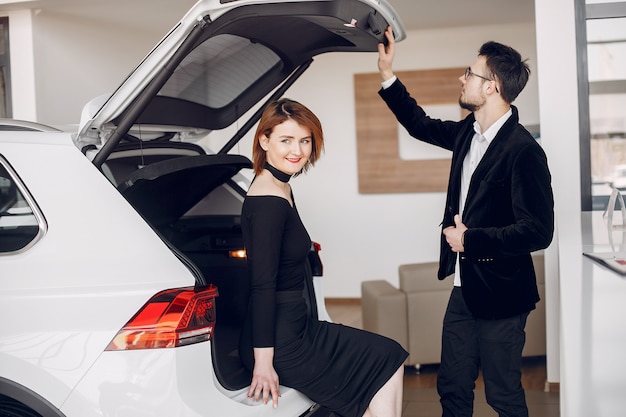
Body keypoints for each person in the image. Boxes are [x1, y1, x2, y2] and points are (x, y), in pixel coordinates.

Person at [376, 27, 554, 417]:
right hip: (464, 287)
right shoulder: (466, 135)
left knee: (502, 394)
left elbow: (539, 230)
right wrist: (388, 73)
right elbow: (419, 124)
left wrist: (470, 240)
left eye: (470, 73)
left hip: (504, 294)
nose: (463, 78)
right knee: (452, 387)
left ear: (492, 86)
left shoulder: (524, 151)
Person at [238, 98, 408, 417]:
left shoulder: (281, 186)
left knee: (389, 357)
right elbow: (261, 288)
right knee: (386, 360)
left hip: (298, 326)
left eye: (304, 140)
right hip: (283, 342)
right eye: (286, 140)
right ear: (264, 139)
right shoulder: (268, 201)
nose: (298, 150)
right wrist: (263, 364)